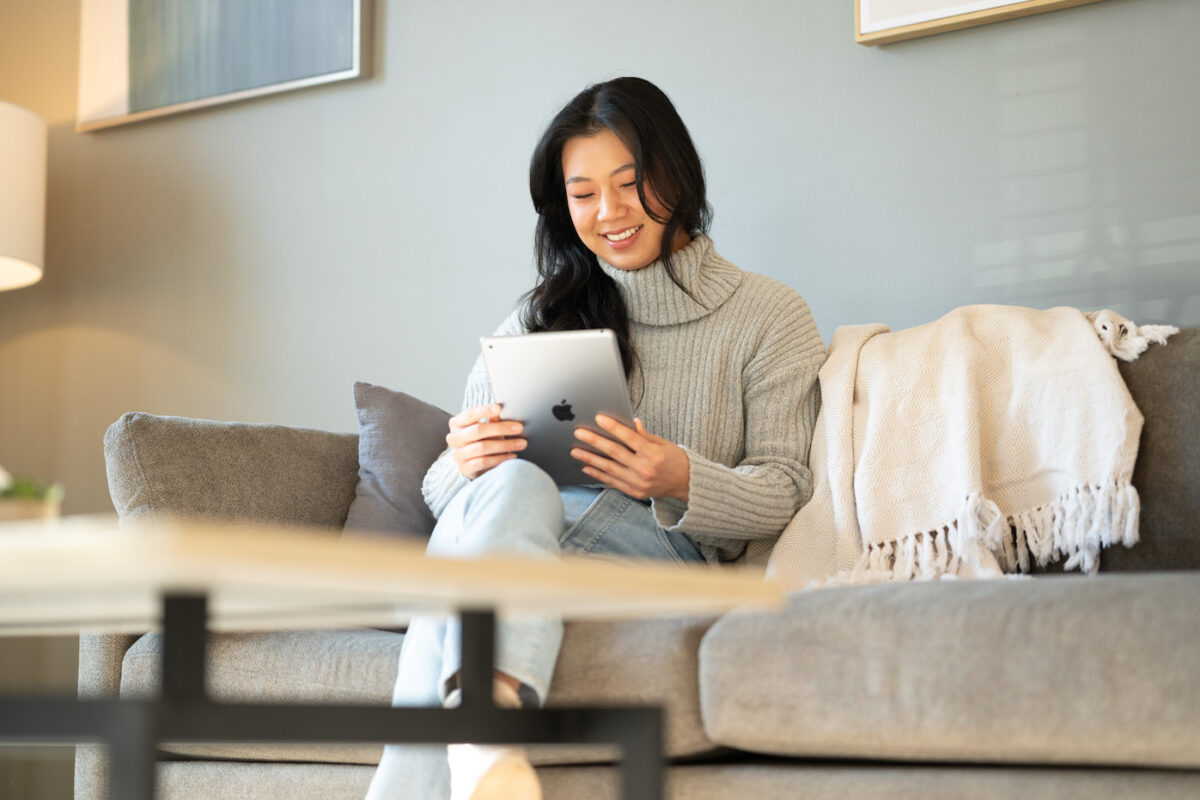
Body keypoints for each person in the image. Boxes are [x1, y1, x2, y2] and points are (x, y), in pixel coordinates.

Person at [365, 76, 826, 800]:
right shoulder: (537, 315)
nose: (608, 212)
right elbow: (445, 492)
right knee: (513, 483)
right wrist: (462, 461)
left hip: (662, 555)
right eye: (582, 193)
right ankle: (486, 742)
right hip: (524, 534)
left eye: (630, 183)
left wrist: (680, 479)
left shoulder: (767, 315)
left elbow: (788, 484)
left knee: (455, 582)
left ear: (677, 175)